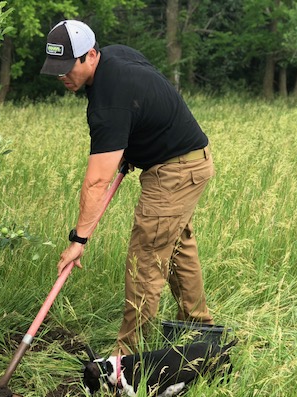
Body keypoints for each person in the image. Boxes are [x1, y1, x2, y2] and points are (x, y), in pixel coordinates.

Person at [41, 20, 215, 355]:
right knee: (177, 245)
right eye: (56, 68)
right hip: (187, 160)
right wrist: (131, 146)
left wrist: (78, 240)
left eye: (67, 67)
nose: (62, 76)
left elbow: (95, 182)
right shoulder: (117, 57)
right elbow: (145, 98)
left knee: (145, 261)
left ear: (90, 55)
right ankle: (199, 328)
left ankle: (125, 360)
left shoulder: (108, 102)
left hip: (175, 170)